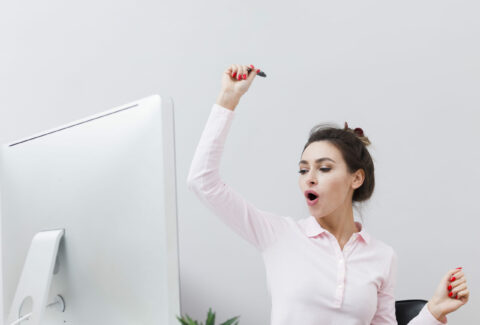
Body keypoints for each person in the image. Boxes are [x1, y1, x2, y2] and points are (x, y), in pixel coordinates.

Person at [186, 64, 470, 325]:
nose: (309, 178)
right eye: (302, 170)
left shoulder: (382, 256)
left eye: (323, 168)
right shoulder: (278, 235)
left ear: (356, 178)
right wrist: (228, 99)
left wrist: (433, 312)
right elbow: (202, 181)